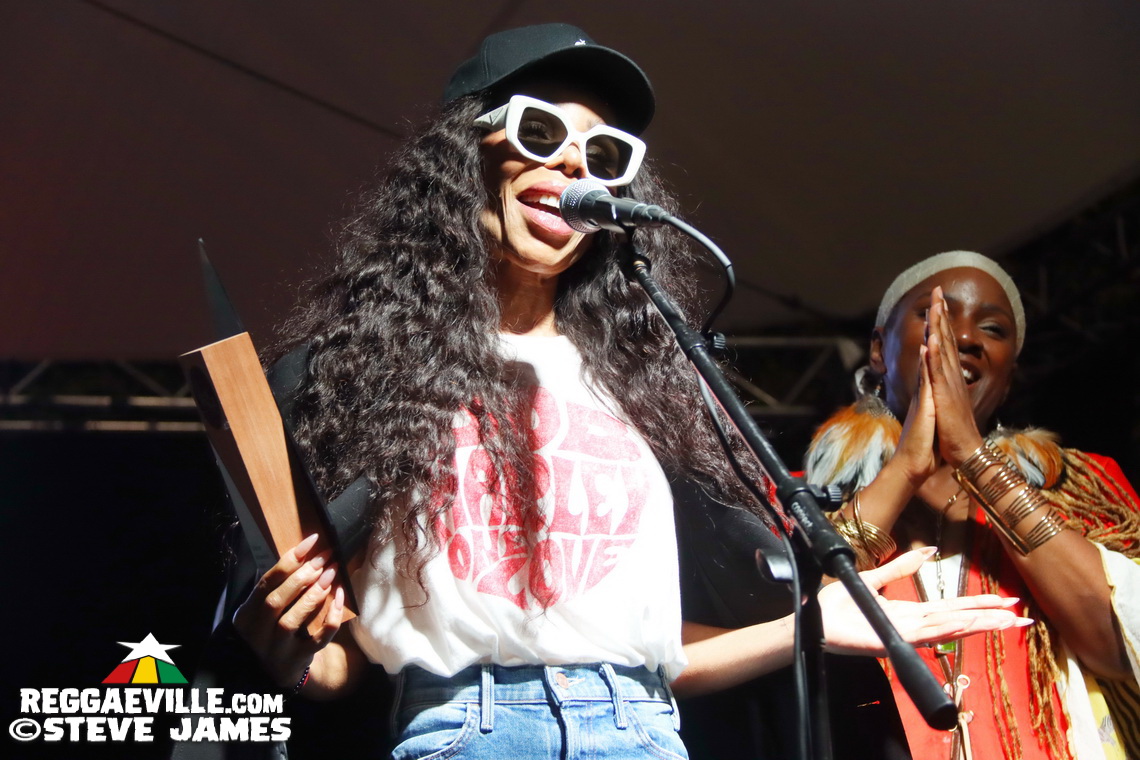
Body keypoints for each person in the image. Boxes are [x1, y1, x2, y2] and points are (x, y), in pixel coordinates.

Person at [186, 27, 1024, 760]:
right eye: (539, 130)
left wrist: (808, 626)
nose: (571, 163)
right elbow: (339, 663)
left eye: (603, 154)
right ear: (463, 154)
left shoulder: (650, 386)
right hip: (467, 730)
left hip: (644, 732)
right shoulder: (363, 376)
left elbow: (653, 652)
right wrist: (291, 649)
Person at [805, 251, 1140, 759]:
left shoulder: (1082, 484)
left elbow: (1118, 646)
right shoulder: (801, 497)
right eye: (934, 314)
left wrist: (973, 456)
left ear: (1010, 372)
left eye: (993, 329)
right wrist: (904, 468)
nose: (964, 337)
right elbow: (792, 625)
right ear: (877, 349)